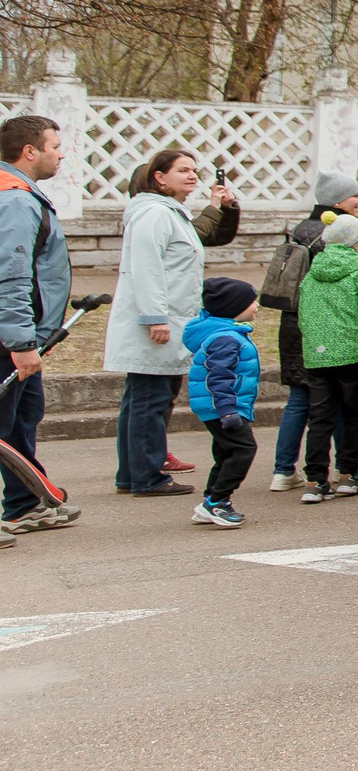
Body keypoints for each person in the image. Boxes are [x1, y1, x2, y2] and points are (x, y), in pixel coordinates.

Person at [106, 149, 234, 497]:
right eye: (182, 170)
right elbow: (146, 270)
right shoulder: (154, 215)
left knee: (143, 399)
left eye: (194, 170)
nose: (192, 175)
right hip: (157, 323)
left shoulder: (170, 213)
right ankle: (147, 477)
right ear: (159, 178)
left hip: (168, 319)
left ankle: (132, 475)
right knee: (150, 400)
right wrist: (156, 318)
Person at [266, 172, 358, 492]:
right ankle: (349, 466)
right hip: (324, 329)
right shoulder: (332, 235)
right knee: (338, 403)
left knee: (301, 399)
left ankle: (283, 469)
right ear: (335, 201)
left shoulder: (300, 229)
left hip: (293, 322)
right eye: (355, 195)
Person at [0, 115, 74, 536]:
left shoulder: (20, 193)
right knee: (3, 427)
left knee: (22, 420)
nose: (60, 153)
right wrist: (21, 341)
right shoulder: (15, 200)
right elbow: (11, 277)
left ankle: (25, 504)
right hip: (8, 336)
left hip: (17, 334)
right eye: (54, 146)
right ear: (30, 151)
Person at [295, 215, 358, 504]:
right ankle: (349, 473)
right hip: (352, 355)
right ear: (353, 244)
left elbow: (304, 316)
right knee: (354, 414)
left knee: (320, 418)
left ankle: (315, 479)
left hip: (317, 356)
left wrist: (315, 345)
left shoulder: (312, 275)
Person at [182, 278, 262, 528]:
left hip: (221, 406)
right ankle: (217, 502)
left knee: (227, 452)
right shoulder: (226, 338)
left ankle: (212, 499)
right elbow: (219, 377)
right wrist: (228, 411)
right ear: (233, 308)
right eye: (251, 302)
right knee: (243, 449)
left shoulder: (228, 334)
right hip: (223, 407)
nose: (256, 306)